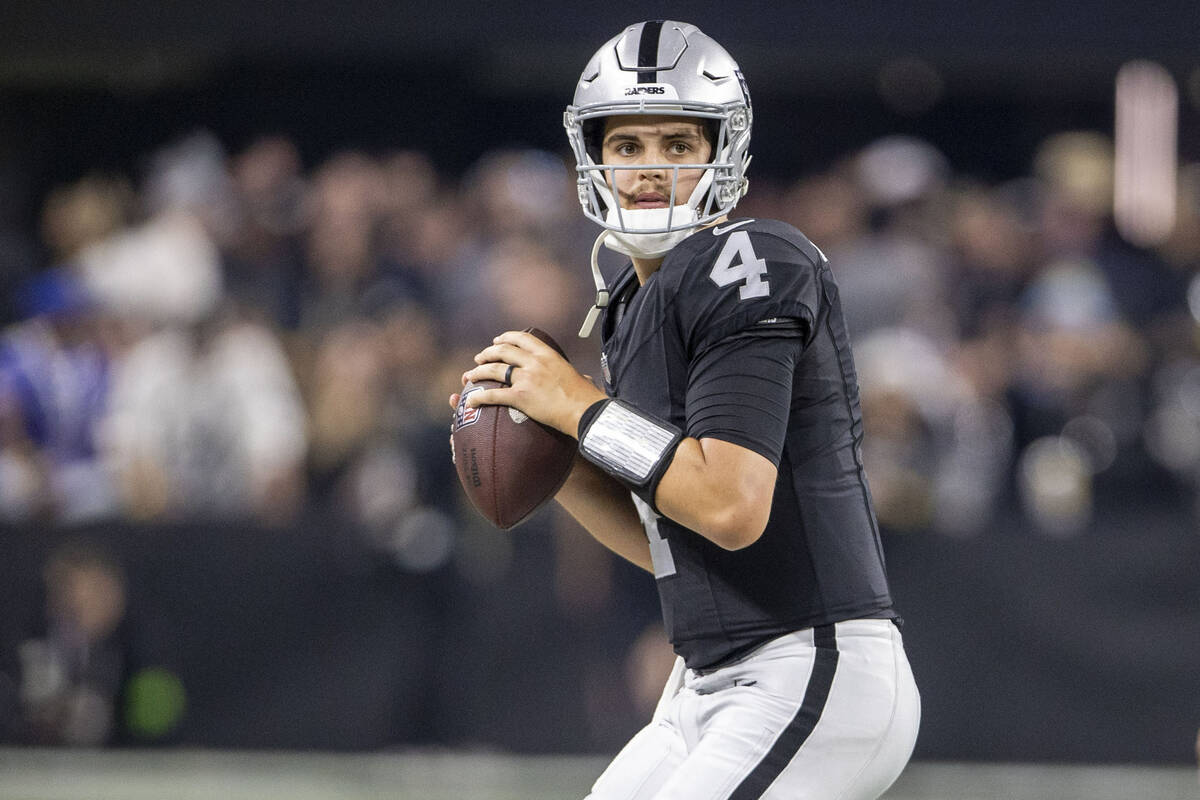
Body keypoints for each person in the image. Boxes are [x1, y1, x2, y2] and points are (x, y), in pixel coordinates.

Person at [451, 20, 919, 799]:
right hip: (708, 681)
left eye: (677, 145)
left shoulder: (752, 262)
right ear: (593, 154)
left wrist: (578, 404)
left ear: (720, 154)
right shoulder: (637, 303)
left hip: (808, 665)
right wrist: (551, 453)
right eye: (629, 146)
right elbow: (675, 541)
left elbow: (730, 507)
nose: (649, 169)